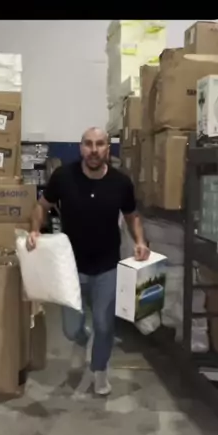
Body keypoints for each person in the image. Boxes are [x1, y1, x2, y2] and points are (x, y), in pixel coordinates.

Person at [27, 127, 149, 397]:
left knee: (105, 326)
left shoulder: (121, 182)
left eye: (100, 144)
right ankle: (81, 341)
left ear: (108, 148)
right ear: (81, 147)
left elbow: (132, 215)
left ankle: (100, 370)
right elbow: (41, 205)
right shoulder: (63, 177)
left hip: (107, 266)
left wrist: (140, 241)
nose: (94, 150)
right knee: (71, 329)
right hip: (70, 267)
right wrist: (35, 230)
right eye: (89, 144)